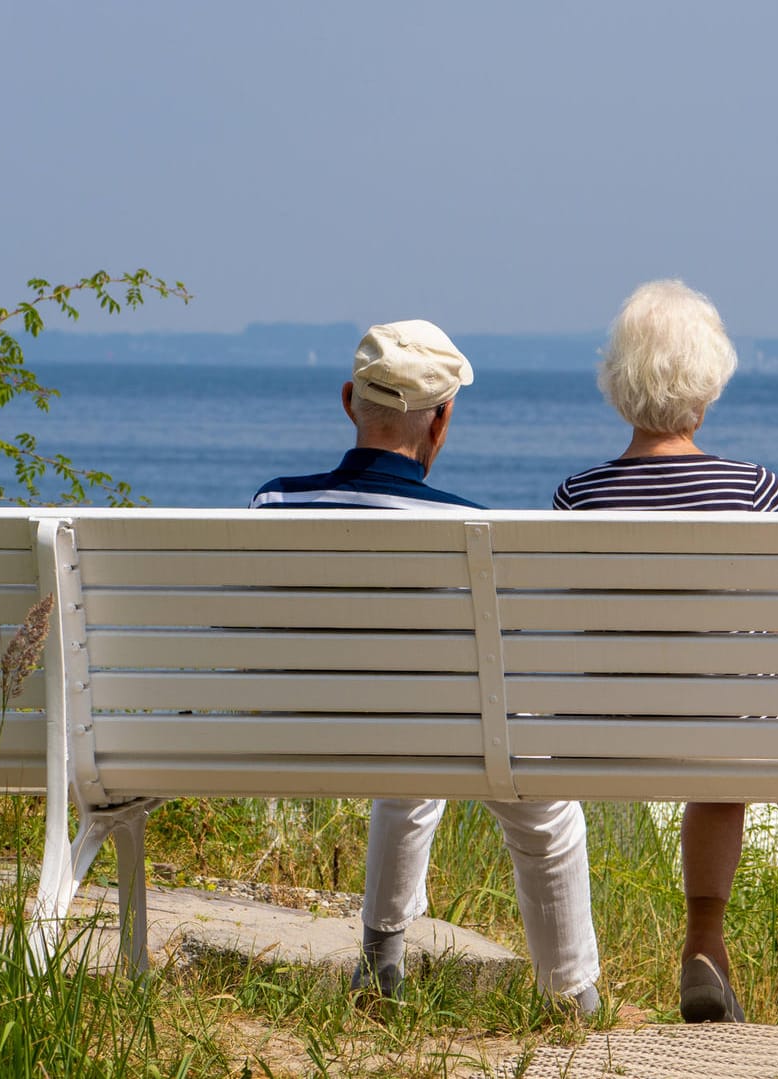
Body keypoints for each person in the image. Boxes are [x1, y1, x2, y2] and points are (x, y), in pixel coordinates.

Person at [553, 281, 778, 1027]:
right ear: (705, 391)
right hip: (728, 725)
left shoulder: (578, 496)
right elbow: (777, 625)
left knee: (722, 738)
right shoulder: (755, 489)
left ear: (619, 388)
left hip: (620, 732)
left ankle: (705, 948)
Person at [253, 319, 601, 1015]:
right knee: (539, 801)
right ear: (441, 422)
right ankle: (570, 995)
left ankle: (381, 959)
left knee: (411, 735)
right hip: (423, 733)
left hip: (286, 741)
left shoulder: (275, 504)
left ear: (350, 400)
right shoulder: (474, 531)